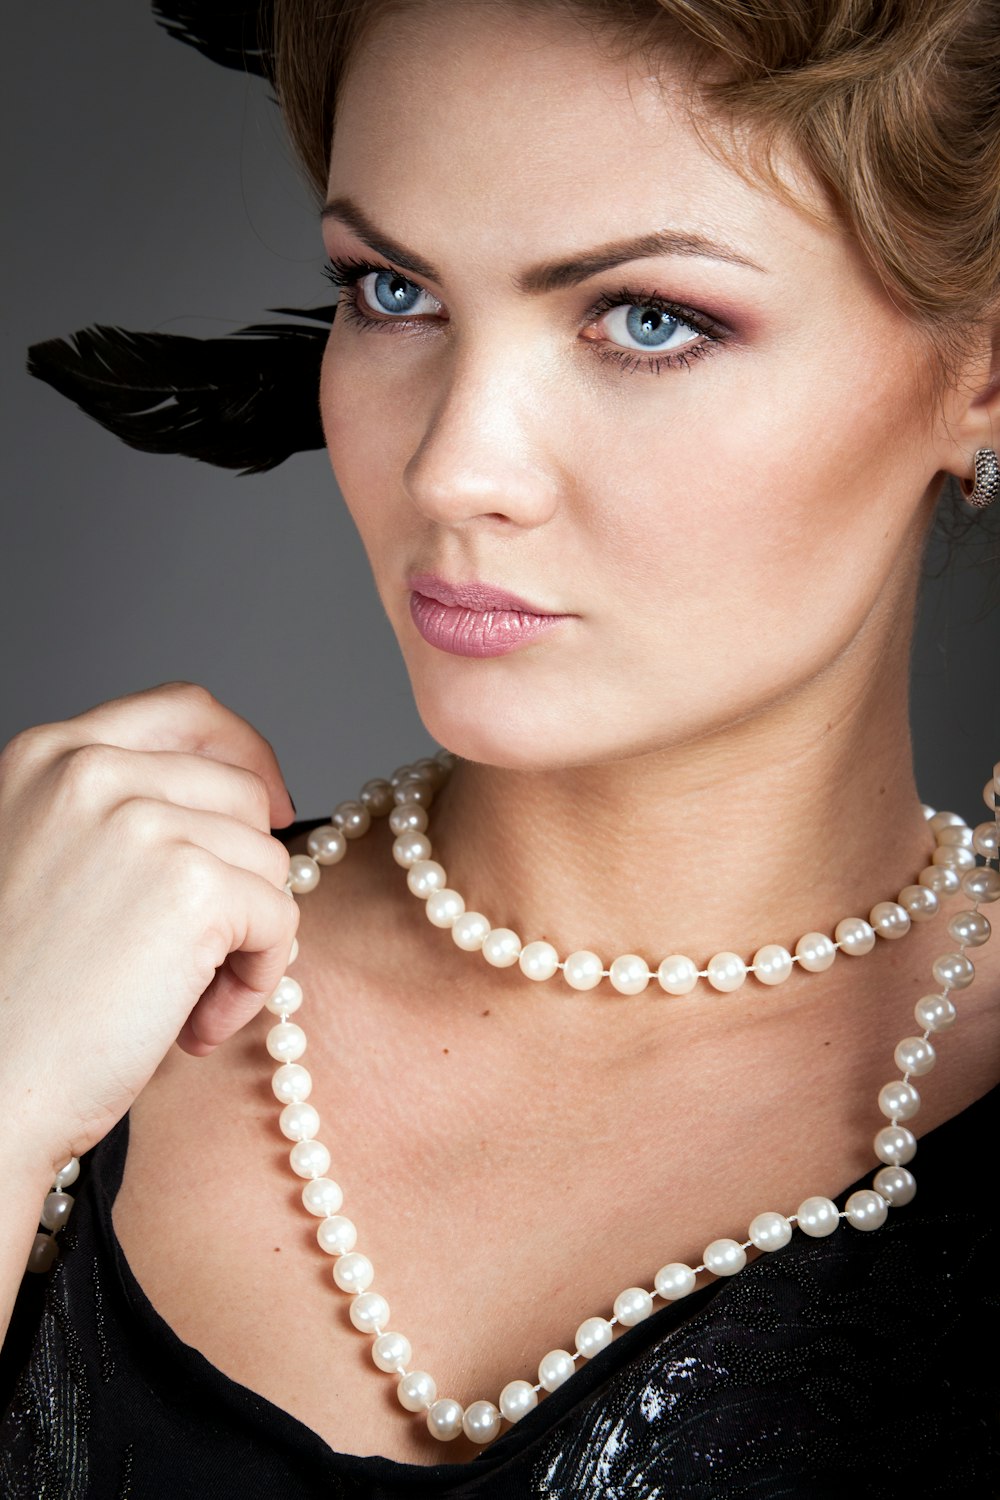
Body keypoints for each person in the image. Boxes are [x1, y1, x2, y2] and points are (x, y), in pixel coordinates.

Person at [2, 0, 999, 1493]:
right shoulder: (54, 964)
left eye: (649, 318)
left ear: (979, 371)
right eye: (392, 290)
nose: (455, 463)